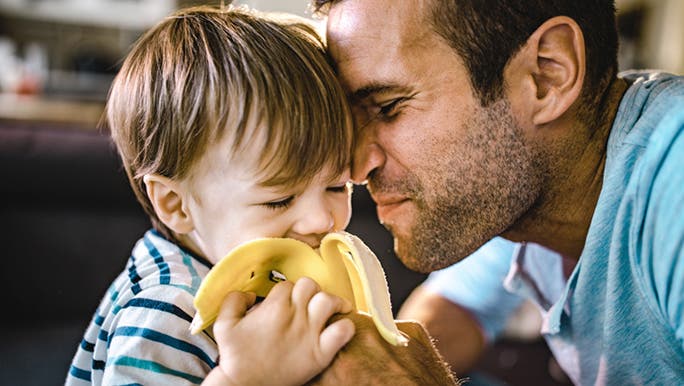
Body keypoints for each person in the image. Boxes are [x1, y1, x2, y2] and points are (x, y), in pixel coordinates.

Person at [312, 0, 684, 384]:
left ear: (547, 74)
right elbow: (454, 307)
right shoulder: (528, 186)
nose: (356, 169)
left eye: (388, 107)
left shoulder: (674, 179)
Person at [65, 5, 358, 385]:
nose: (323, 219)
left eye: (338, 186)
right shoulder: (167, 312)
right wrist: (244, 379)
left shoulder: (255, 275)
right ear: (176, 205)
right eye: (279, 199)